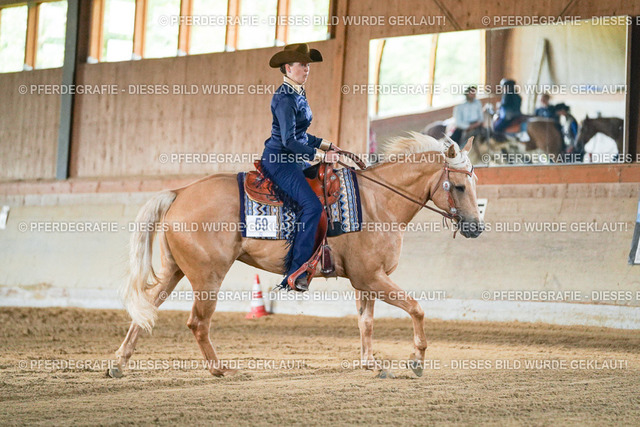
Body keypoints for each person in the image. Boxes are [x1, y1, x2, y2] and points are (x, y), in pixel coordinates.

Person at [260, 43, 340, 291]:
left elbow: (301, 134)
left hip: (295, 158)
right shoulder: (285, 98)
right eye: (302, 65)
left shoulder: (297, 93)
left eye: (308, 65)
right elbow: (289, 141)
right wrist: (321, 155)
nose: (307, 69)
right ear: (288, 68)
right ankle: (296, 271)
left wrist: (327, 145)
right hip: (281, 161)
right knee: (312, 206)